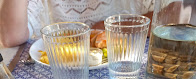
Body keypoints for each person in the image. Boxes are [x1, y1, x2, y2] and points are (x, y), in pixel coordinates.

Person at [0, 0, 155, 48]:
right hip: (59, 75)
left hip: (124, 71)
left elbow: (174, 15)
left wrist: (115, 27)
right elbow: (12, 37)